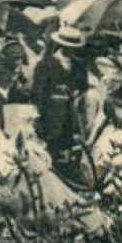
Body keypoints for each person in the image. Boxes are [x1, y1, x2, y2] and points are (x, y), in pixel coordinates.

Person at [32, 25, 91, 174]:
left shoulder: (78, 64)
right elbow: (38, 94)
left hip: (73, 116)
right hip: (52, 116)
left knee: (72, 151)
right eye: (68, 47)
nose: (71, 51)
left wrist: (76, 93)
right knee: (54, 151)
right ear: (60, 45)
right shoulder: (45, 65)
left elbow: (83, 87)